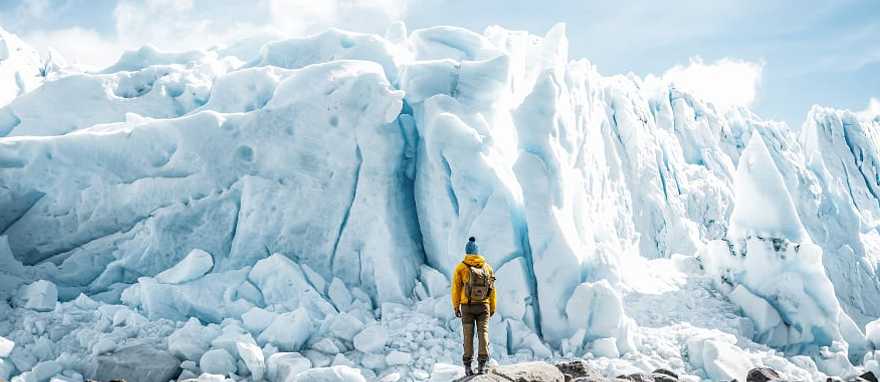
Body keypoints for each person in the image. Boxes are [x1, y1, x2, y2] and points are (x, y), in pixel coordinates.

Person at [451, 236, 496, 376]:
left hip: (467, 307)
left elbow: (455, 289)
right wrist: (492, 307)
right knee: (483, 333)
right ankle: (482, 365)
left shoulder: (461, 267)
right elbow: (492, 290)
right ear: (477, 252)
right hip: (483, 306)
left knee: (468, 335)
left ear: (467, 252)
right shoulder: (487, 267)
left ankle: (468, 367)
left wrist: (456, 306)